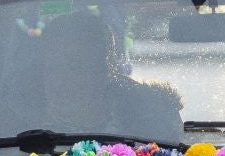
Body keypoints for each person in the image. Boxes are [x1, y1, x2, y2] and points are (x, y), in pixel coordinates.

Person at [36, 11, 182, 137]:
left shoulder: (154, 120)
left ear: (106, 68)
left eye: (76, 66)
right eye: (51, 68)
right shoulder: (21, 132)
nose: (60, 81)